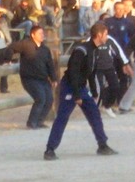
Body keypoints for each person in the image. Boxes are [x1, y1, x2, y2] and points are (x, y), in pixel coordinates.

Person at [44, 22, 117, 160]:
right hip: (70, 86)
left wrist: (94, 92)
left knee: (94, 113)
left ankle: (102, 145)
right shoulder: (81, 50)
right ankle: (50, 149)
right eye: (106, 34)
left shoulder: (96, 50)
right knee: (62, 117)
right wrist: (77, 94)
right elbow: (73, 73)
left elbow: (91, 72)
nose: (107, 37)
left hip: (81, 87)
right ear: (99, 35)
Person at [10, 25, 56, 129]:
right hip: (29, 78)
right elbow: (11, 47)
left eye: (42, 33)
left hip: (43, 79)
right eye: (40, 33)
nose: (42, 35)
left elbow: (50, 65)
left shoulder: (45, 49)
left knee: (49, 100)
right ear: (33, 34)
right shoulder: (25, 44)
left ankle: (40, 121)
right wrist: (7, 58)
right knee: (40, 98)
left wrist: (53, 79)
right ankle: (31, 122)